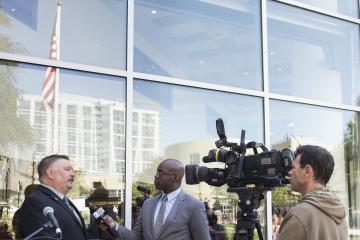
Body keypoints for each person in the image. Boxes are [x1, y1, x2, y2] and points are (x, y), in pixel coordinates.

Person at [103, 159, 211, 240]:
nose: (155, 176)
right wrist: (115, 225)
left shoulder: (193, 205)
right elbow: (136, 236)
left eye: (160, 172)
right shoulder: (148, 204)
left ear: (175, 177)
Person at [276, 145, 348, 240]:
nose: (289, 172)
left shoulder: (299, 215)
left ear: (307, 171)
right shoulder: (339, 211)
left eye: (293, 167)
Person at [19, 154, 87, 240]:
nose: (73, 174)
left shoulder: (63, 200)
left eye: (72, 170)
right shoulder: (35, 202)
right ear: (50, 173)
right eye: (67, 169)